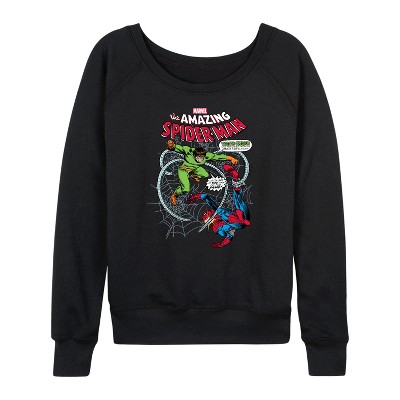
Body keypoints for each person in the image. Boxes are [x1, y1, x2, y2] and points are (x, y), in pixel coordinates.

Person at [187, 164, 250, 248]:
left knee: (236, 201)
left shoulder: (216, 214)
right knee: (227, 209)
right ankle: (241, 219)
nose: (207, 213)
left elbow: (206, 197)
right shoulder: (216, 227)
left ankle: (235, 179)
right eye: (206, 215)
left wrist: (194, 197)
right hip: (239, 222)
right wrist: (221, 244)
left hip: (242, 216)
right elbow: (229, 236)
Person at [167, 139, 238, 205]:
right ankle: (174, 195)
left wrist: (231, 158)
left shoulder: (207, 155)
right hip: (184, 169)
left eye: (202, 157)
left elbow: (218, 157)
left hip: (195, 168)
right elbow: (177, 148)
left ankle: (192, 175)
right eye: (198, 157)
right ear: (194, 155)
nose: (200, 159)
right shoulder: (188, 151)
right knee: (186, 189)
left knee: (205, 174)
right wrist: (172, 146)